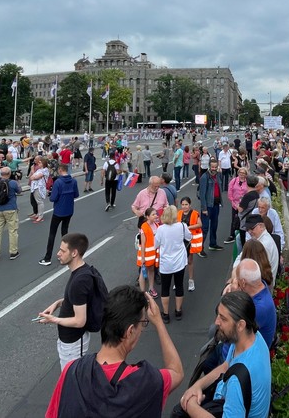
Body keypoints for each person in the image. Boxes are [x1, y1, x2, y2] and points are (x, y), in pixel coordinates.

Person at [45, 285, 183, 418]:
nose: (142, 329)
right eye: (143, 323)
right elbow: (177, 371)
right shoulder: (145, 383)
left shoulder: (72, 370)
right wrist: (158, 322)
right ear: (130, 331)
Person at [179, 291, 271, 418]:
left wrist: (190, 405)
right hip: (223, 401)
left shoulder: (236, 381)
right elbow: (226, 366)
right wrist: (197, 386)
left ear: (240, 325)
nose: (217, 322)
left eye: (223, 318)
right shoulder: (251, 337)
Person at [38, 233, 99, 368]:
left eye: (62, 250)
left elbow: (80, 320)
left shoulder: (80, 281)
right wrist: (58, 303)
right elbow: (77, 300)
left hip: (74, 342)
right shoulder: (81, 272)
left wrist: (52, 319)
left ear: (74, 253)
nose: (58, 254)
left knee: (72, 381)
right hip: (68, 340)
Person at [154, 205, 191, 323]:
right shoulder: (182, 226)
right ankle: (178, 311)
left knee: (165, 288)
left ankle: (165, 313)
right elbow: (189, 237)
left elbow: (156, 244)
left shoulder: (161, 229)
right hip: (179, 261)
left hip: (166, 263)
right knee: (179, 285)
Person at [40, 164, 80, 266]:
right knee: (65, 233)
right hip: (69, 210)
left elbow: (53, 198)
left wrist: (51, 193)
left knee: (52, 234)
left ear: (60, 170)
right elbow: (76, 194)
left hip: (58, 211)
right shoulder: (73, 181)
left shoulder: (58, 182)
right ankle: (66, 254)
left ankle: (47, 257)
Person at [235, 259, 276, 348]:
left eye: (237, 280)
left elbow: (235, 331)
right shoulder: (261, 286)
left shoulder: (258, 309)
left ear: (243, 283)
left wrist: (233, 296)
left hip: (248, 354)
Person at [0, 166, 22, 262]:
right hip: (10, 208)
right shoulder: (12, 183)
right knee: (12, 231)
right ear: (9, 174)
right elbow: (19, 190)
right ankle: (13, 252)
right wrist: (17, 180)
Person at [178, 196, 204, 288]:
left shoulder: (195, 213)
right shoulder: (179, 213)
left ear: (190, 205)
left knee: (189, 261)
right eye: (183, 204)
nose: (184, 206)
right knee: (180, 262)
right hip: (181, 241)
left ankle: (191, 280)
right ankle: (178, 281)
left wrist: (187, 228)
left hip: (190, 241)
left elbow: (200, 224)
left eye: (186, 204)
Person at [198, 159, 224, 251]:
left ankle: (213, 244)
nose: (214, 169)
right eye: (212, 167)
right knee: (205, 228)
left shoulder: (218, 175)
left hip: (216, 205)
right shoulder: (205, 177)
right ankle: (200, 248)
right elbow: (202, 194)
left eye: (215, 167)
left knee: (214, 225)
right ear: (209, 166)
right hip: (208, 206)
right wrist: (204, 208)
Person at [243, 214, 279, 279]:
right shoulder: (262, 239)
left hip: (263, 284)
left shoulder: (263, 245)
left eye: (252, 228)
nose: (249, 231)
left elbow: (257, 271)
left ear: (261, 226)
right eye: (247, 229)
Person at [137, 207, 160, 297]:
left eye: (156, 214)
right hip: (145, 254)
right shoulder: (144, 227)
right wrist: (142, 257)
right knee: (143, 272)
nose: (156, 216)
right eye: (153, 214)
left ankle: (151, 289)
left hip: (153, 254)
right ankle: (143, 293)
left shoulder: (157, 225)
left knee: (151, 270)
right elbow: (143, 243)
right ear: (147, 216)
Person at [29, 156, 50, 223]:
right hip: (35, 186)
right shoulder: (39, 170)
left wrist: (34, 177)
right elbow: (32, 176)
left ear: (43, 163)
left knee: (39, 201)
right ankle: (38, 214)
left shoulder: (45, 170)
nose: (38, 164)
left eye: (40, 163)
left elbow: (37, 177)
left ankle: (40, 216)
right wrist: (33, 177)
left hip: (39, 187)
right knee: (37, 201)